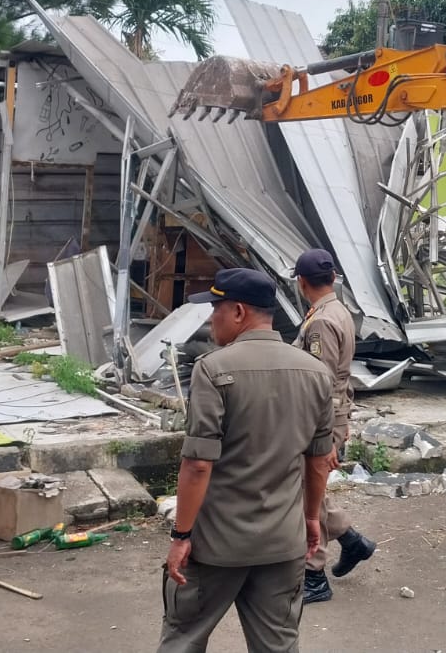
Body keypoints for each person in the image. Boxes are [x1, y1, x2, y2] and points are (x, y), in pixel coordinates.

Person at [158, 268, 335, 653]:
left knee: (183, 640)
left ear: (238, 312)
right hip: (282, 542)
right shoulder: (315, 372)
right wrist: (309, 519)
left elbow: (198, 464)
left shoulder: (214, 368)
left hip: (216, 545)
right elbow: (319, 460)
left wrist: (181, 535)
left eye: (215, 309)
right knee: (278, 645)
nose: (210, 318)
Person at [291, 249, 378, 604]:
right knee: (312, 491)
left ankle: (314, 575)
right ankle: (354, 542)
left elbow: (320, 382)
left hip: (319, 421)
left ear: (301, 282)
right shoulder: (336, 311)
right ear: (333, 278)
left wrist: (324, 436)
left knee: (307, 495)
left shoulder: (323, 322)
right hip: (330, 417)